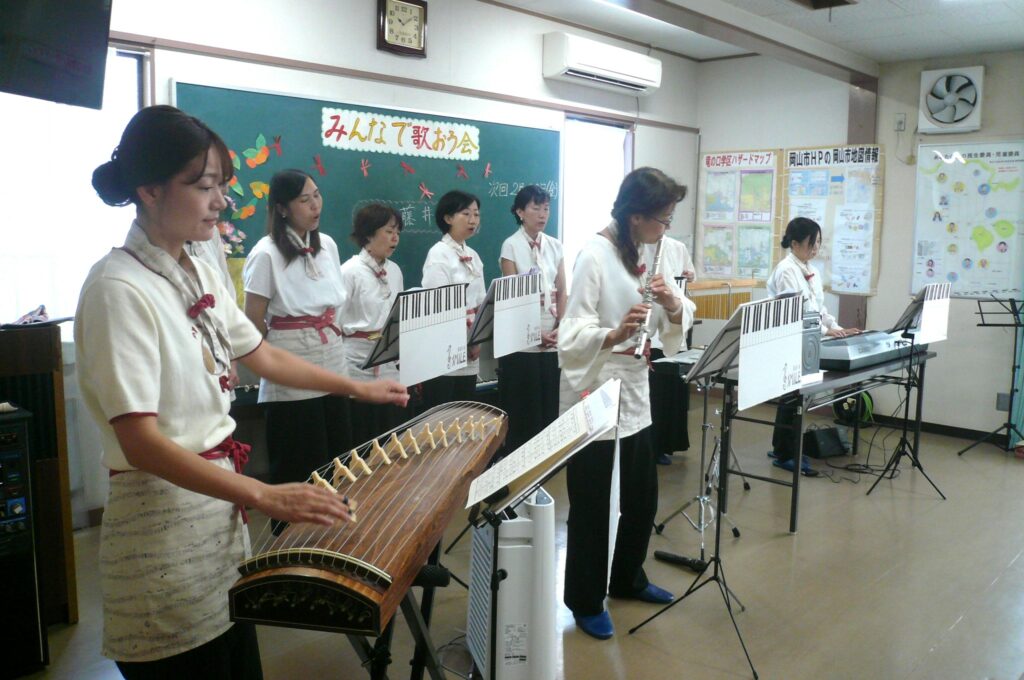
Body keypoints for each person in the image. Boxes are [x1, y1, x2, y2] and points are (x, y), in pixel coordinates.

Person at [77, 105, 407, 678]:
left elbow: (262, 353)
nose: (220, 201)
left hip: (217, 528)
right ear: (149, 190)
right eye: (204, 186)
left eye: (221, 186)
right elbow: (140, 443)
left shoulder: (198, 270)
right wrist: (264, 494)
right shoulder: (118, 288)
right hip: (160, 536)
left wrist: (354, 386)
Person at [557, 167, 696, 640]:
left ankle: (627, 578)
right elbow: (571, 331)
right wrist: (614, 333)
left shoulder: (655, 248)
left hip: (636, 383)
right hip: (595, 382)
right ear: (636, 216)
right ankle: (584, 600)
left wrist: (672, 304)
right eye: (663, 218)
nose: (667, 227)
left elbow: (681, 310)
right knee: (592, 501)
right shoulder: (594, 254)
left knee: (642, 495)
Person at [243, 169, 352, 486]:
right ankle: (298, 520)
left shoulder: (327, 244)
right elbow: (252, 321)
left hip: (333, 355)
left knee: (339, 454)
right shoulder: (265, 253)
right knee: (301, 457)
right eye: (305, 200)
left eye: (317, 195)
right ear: (281, 208)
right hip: (291, 359)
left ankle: (338, 516)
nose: (315, 205)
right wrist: (274, 357)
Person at [765, 217, 859, 476]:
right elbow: (795, 312)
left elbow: (819, 308)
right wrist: (826, 331)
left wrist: (836, 328)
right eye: (811, 243)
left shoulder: (810, 270)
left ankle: (781, 446)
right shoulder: (787, 270)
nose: (816, 248)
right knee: (792, 398)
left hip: (806, 340)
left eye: (818, 242)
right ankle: (785, 454)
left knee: (794, 397)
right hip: (788, 340)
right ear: (795, 244)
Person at [497, 185, 565, 454]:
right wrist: (535, 334)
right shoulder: (511, 245)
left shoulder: (555, 245)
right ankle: (522, 458)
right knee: (526, 404)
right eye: (535, 208)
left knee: (549, 401)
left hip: (553, 333)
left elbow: (563, 290)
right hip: (522, 337)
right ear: (520, 212)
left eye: (546, 208)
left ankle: (547, 457)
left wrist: (560, 327)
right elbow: (512, 297)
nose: (542, 214)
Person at [338, 203, 405, 445]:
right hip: (357, 364)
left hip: (389, 363)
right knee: (362, 436)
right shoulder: (349, 271)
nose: (395, 237)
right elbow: (335, 323)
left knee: (389, 436)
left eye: (397, 232)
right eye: (389, 231)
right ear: (368, 234)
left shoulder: (395, 270)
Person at [419, 190, 486, 409]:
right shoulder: (438, 254)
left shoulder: (474, 255)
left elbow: (481, 302)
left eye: (476, 214)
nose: (473, 220)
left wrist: (476, 340)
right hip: (443, 349)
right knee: (443, 414)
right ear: (448, 218)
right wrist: (463, 341)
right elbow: (438, 306)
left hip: (469, 346)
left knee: (465, 413)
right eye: (466, 214)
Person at [645, 235, 696, 465]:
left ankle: (667, 443)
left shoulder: (677, 246)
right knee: (655, 394)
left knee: (671, 393)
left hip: (674, 324)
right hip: (650, 332)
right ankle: (653, 446)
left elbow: (690, 274)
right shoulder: (639, 246)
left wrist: (689, 276)